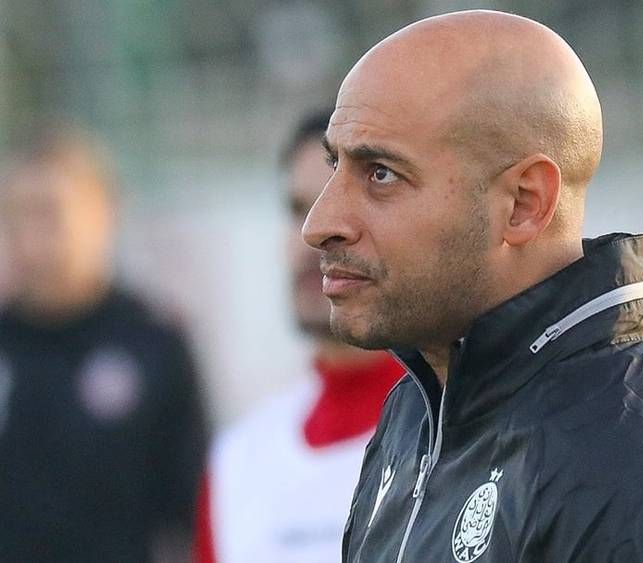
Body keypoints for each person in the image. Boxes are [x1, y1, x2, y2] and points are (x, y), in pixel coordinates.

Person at [302, 10, 643, 563]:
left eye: (380, 173)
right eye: (335, 165)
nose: (320, 223)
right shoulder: (418, 411)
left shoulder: (642, 468)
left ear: (523, 203)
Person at [194, 111, 403, 563]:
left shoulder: (465, 434)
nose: (313, 235)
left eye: (341, 207)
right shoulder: (239, 463)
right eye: (297, 209)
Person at [0, 126, 208, 562]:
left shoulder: (153, 343)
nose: (31, 237)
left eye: (48, 213)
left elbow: (191, 507)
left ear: (103, 213)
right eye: (17, 215)